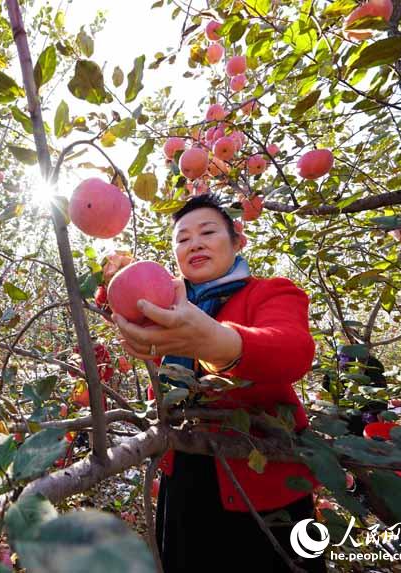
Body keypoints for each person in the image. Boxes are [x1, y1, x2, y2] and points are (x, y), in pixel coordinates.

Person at [111, 194, 327, 573]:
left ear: (237, 241)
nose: (194, 243)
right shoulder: (168, 312)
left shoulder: (270, 292)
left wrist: (215, 342)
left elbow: (293, 351)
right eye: (182, 238)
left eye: (208, 232)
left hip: (266, 481)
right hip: (186, 479)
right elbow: (164, 391)